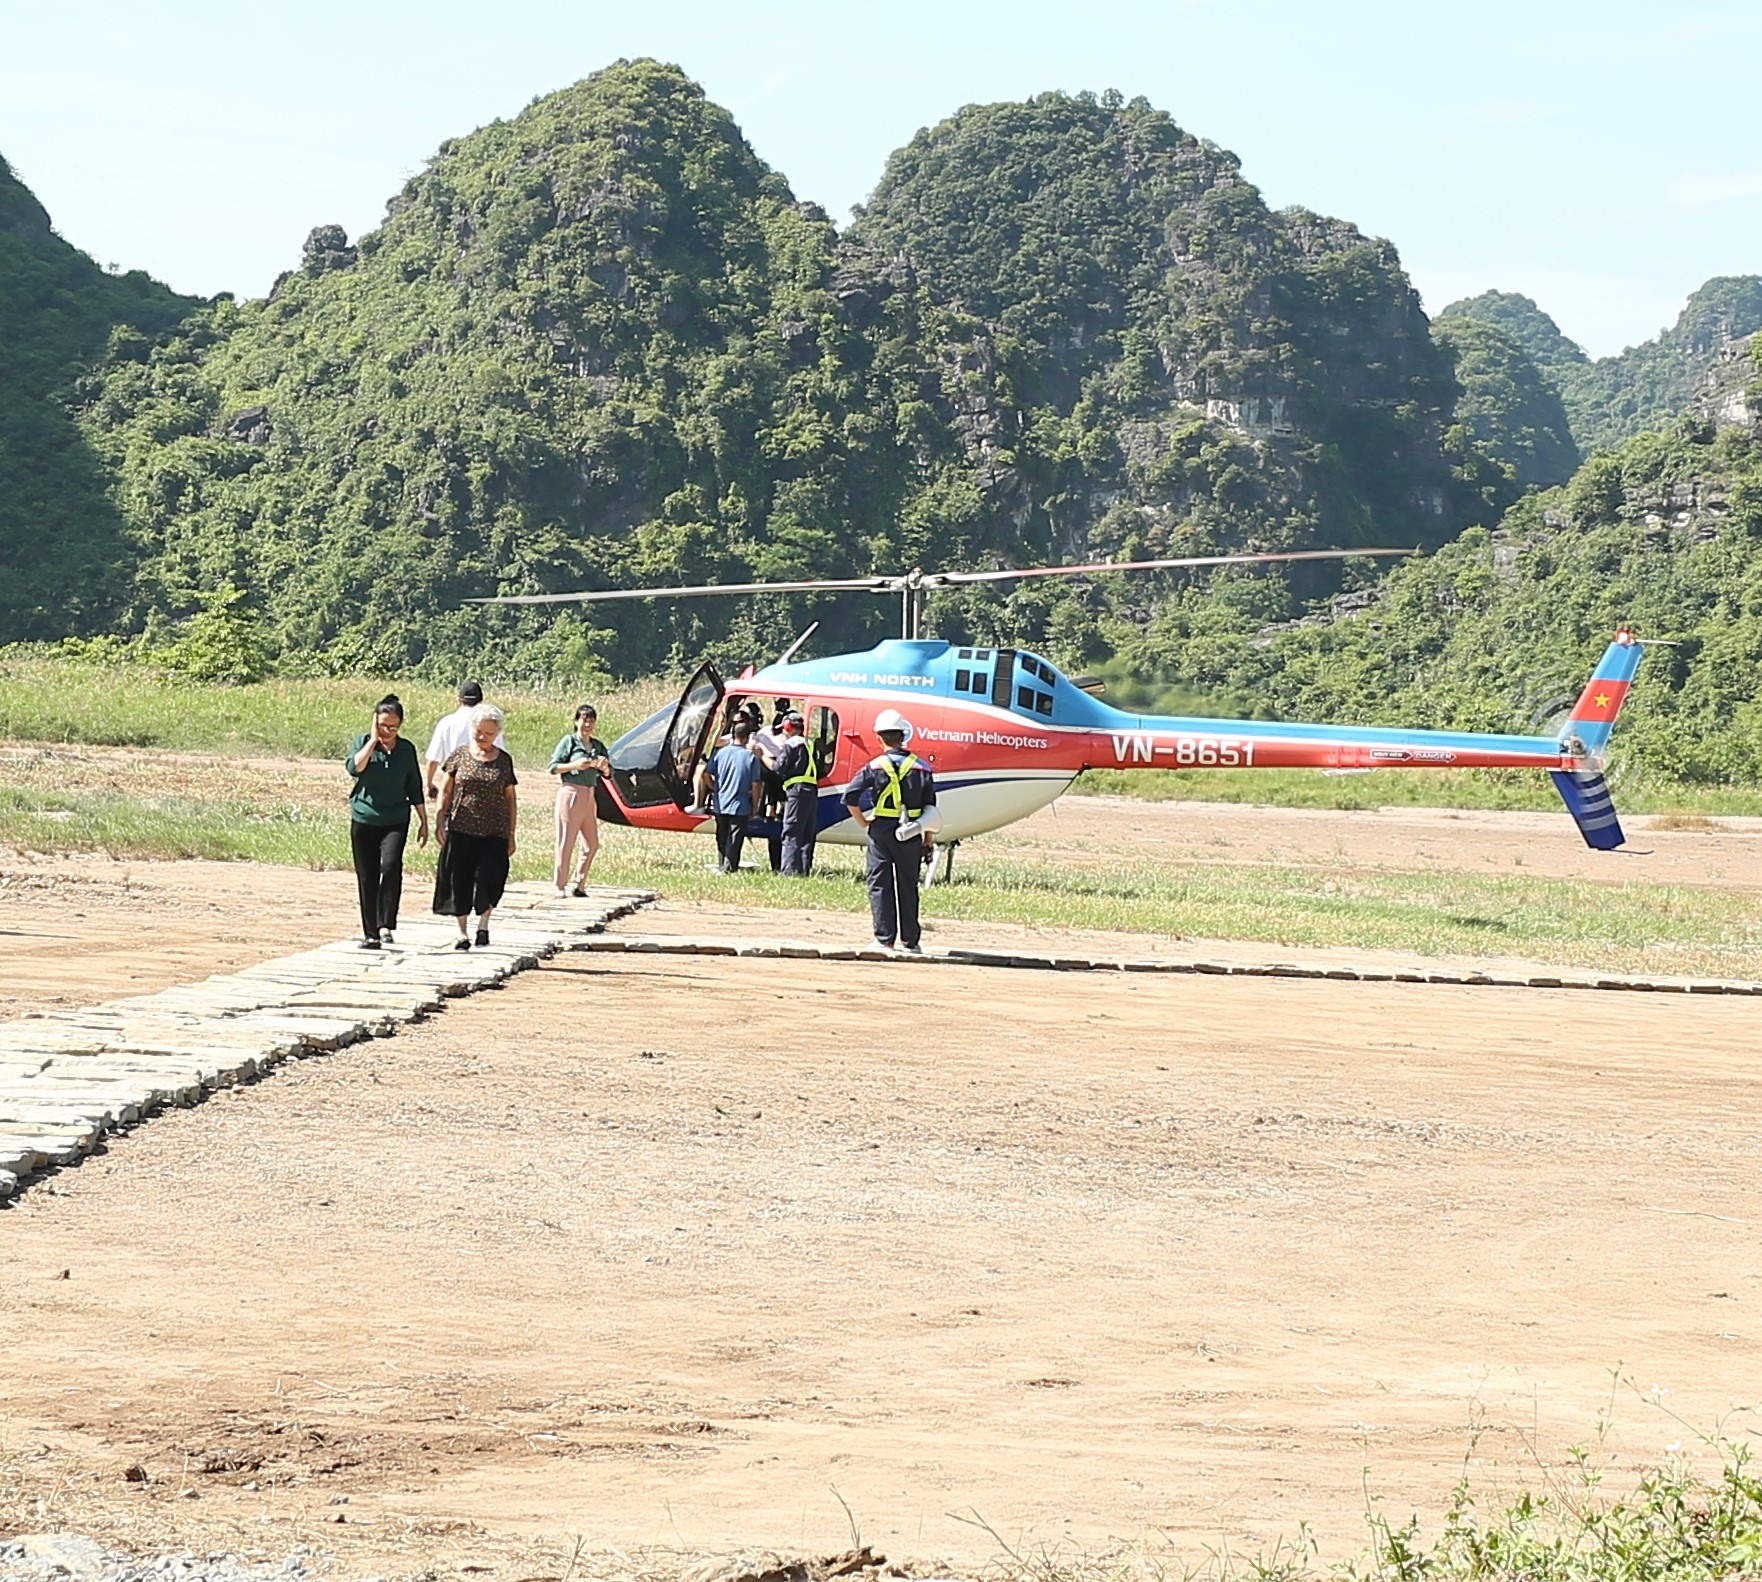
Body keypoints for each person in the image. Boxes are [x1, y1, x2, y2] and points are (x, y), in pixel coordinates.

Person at [842, 708, 936, 953]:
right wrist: (928, 839)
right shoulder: (923, 768)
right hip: (913, 830)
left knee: (880, 882)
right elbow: (931, 809)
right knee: (908, 883)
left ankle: (885, 938)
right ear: (903, 735)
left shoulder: (874, 766)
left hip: (882, 829)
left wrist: (864, 822)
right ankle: (911, 941)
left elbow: (850, 797)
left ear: (879, 738)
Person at [345, 694, 429, 948]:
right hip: (364, 818)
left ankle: (386, 924)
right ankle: (371, 933)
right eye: (383, 725)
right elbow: (354, 768)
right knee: (367, 876)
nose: (388, 731)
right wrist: (373, 740)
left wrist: (424, 820)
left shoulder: (406, 750)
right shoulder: (364, 743)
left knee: (391, 867)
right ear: (375, 723)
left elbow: (414, 785)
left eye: (393, 726)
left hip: (395, 819)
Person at [433, 703, 518, 949]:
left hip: (494, 831)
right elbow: (445, 789)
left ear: (497, 734)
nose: (482, 737)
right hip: (462, 829)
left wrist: (511, 834)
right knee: (459, 879)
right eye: (479, 731)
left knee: (489, 878)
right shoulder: (460, 755)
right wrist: (441, 819)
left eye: (488, 733)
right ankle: (462, 933)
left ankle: (483, 924)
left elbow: (510, 798)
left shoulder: (504, 761)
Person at [549, 702, 610, 895]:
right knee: (566, 841)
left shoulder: (598, 745)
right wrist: (575, 764)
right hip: (571, 793)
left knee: (592, 844)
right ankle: (560, 884)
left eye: (591, 720)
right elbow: (553, 767)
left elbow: (608, 773)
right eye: (584, 720)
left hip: (589, 794)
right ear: (576, 721)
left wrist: (603, 766)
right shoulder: (569, 741)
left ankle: (580, 882)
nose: (587, 724)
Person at [424, 680, 504, 802]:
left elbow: (433, 759)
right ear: (480, 700)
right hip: (483, 783)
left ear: (460, 700)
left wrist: (429, 784)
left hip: (454, 782)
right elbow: (500, 755)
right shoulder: (489, 724)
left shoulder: (446, 722)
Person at [704, 719, 762, 873]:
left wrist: (715, 788)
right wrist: (755, 806)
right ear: (746, 738)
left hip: (721, 802)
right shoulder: (750, 757)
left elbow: (706, 774)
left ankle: (723, 864)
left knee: (722, 836)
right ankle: (729, 868)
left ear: (733, 735)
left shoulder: (720, 753)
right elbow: (756, 784)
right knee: (735, 838)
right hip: (740, 804)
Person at [775, 711, 819, 877]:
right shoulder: (810, 743)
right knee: (807, 832)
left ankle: (789, 871)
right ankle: (803, 869)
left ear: (788, 727)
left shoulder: (791, 744)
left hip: (796, 791)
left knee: (791, 830)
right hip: (811, 790)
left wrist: (762, 756)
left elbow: (779, 768)